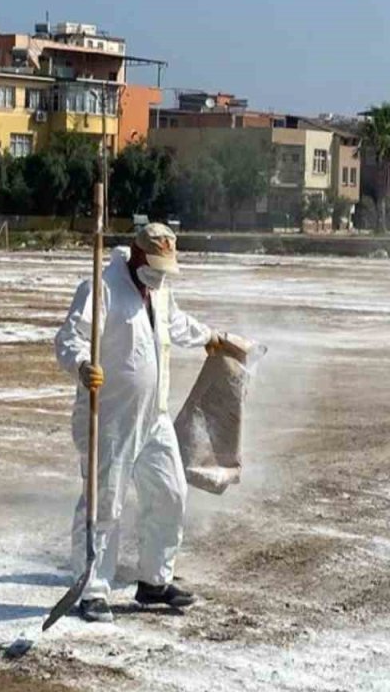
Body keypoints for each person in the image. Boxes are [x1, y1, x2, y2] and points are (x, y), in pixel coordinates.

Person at [54, 223, 230, 623]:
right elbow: (69, 338)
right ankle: (92, 587)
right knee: (104, 503)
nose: (160, 274)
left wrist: (208, 336)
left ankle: (154, 581)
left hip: (155, 414)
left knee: (171, 492)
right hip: (110, 416)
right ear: (135, 255)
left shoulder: (160, 285)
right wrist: (83, 366)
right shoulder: (101, 287)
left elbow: (174, 322)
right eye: (155, 265)